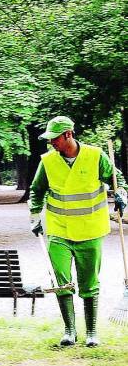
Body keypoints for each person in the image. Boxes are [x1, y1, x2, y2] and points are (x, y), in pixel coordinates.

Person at [29, 115, 127, 347]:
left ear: (68, 135)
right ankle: (69, 331)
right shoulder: (48, 161)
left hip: (90, 230)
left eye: (54, 138)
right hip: (58, 230)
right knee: (61, 279)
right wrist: (35, 216)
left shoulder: (95, 156)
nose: (51, 143)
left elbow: (117, 179)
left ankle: (92, 332)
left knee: (89, 283)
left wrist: (121, 193)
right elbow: (36, 190)